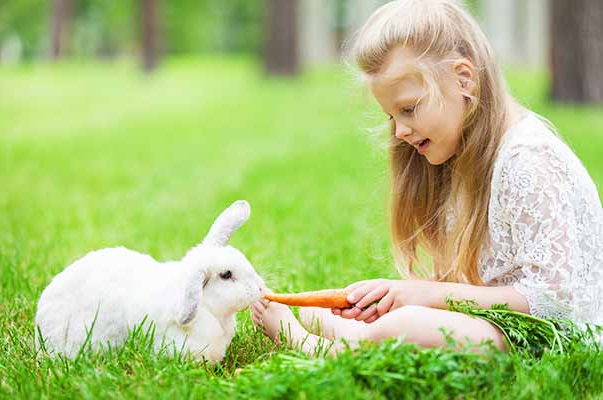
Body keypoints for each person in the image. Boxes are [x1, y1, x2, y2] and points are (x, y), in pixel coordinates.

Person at [251, 0, 603, 354]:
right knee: (406, 310)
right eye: (392, 116)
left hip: (560, 339)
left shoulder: (528, 159)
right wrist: (411, 296)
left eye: (409, 109)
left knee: (409, 323)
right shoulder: (460, 152)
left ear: (463, 79)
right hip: (509, 327)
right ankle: (336, 323)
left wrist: (427, 295)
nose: (400, 131)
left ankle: (315, 342)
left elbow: (554, 303)